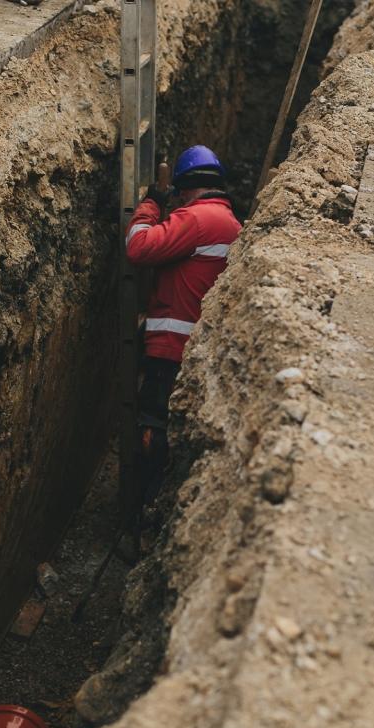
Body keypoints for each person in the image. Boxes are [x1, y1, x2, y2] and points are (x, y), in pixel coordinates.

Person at [124, 145, 241, 502]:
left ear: (186, 188)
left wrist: (152, 204)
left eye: (178, 193)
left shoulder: (198, 219)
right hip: (190, 346)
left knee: (153, 431)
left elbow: (139, 246)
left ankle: (142, 512)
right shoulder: (229, 221)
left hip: (172, 350)